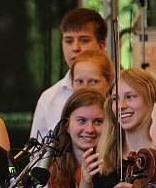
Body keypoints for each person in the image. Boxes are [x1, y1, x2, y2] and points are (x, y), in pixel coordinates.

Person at [79, 68, 156, 188]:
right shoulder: (102, 158)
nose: (121, 105)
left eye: (130, 96)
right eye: (115, 99)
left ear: (151, 99)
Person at [30, 8, 107, 139]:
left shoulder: (119, 92)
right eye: (68, 40)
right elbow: (36, 155)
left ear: (101, 46)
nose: (75, 48)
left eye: (84, 40)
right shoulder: (49, 98)